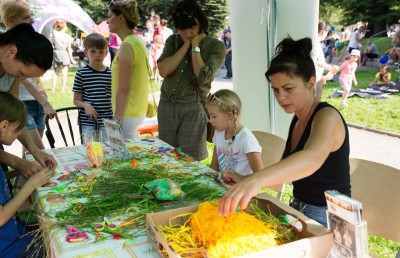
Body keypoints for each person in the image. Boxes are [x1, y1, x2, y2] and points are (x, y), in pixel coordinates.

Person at [218, 36, 351, 227]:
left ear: (311, 83)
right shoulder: (298, 117)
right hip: (299, 210)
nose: (281, 97)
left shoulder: (327, 117)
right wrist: (246, 180)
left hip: (330, 218)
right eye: (276, 90)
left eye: (288, 89)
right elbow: (290, 172)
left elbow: (311, 160)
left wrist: (256, 180)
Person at [157, 0, 225, 161]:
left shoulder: (216, 46)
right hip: (167, 104)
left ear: (201, 22)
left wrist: (195, 46)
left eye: (192, 28)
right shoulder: (173, 41)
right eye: (183, 29)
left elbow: (202, 77)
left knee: (190, 160)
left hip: (192, 107)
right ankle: (167, 187)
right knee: (167, 157)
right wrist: (185, 46)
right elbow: (163, 70)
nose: (188, 33)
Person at [0, 92, 54, 258]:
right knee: (53, 243)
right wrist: (31, 185)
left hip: (14, 233)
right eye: (17, 131)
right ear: (3, 126)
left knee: (48, 230)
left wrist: (14, 173)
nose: (18, 137)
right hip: (9, 249)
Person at [0, 23, 58, 177]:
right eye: (22, 72)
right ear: (11, 51)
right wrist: (16, 162)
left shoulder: (13, 73)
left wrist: (36, 152)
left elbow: (14, 117)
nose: (23, 78)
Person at [107, 0, 150, 140]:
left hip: (127, 114)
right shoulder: (137, 41)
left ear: (121, 18)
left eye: (110, 16)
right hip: (136, 110)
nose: (107, 21)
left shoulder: (127, 45)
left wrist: (117, 119)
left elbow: (124, 87)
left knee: (128, 158)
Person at [207, 89, 263, 177]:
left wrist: (239, 178)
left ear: (229, 115)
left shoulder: (246, 140)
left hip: (241, 188)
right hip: (222, 186)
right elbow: (214, 167)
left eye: (214, 116)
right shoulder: (218, 133)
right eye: (209, 116)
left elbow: (260, 176)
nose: (210, 120)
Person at [72, 33, 113, 137]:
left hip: (108, 121)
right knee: (91, 151)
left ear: (106, 53)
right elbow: (76, 100)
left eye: (101, 51)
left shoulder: (111, 74)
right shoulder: (81, 73)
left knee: (107, 150)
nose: (97, 55)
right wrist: (86, 105)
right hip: (88, 122)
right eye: (93, 51)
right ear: (86, 52)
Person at [51, 19, 76, 93]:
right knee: (64, 72)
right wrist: (71, 59)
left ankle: (53, 89)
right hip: (64, 54)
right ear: (65, 27)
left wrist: (56, 22)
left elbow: (53, 27)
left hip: (56, 53)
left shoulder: (55, 33)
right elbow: (69, 49)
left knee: (56, 72)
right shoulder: (68, 37)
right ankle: (62, 90)